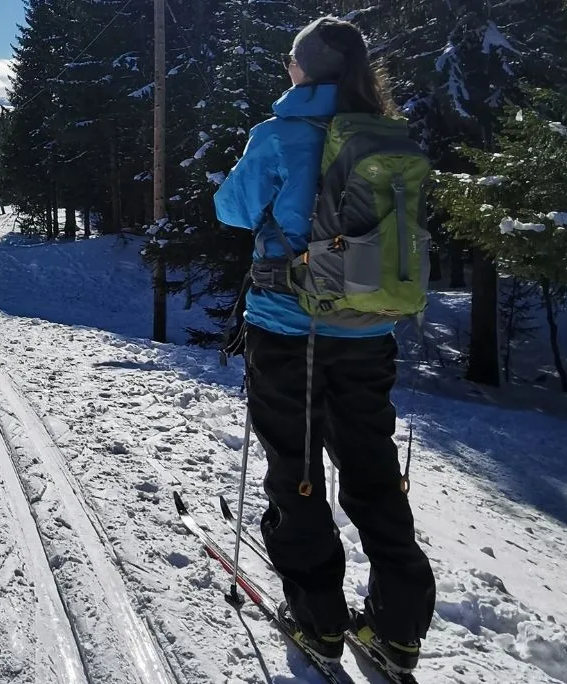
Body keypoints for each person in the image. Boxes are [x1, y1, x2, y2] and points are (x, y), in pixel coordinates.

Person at [213, 17, 436, 673]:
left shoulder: (280, 135)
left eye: (292, 61)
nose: (288, 70)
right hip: (371, 332)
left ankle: (319, 623)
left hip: (291, 329)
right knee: (372, 470)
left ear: (304, 69)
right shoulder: (389, 136)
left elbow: (231, 207)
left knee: (299, 473)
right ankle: (397, 628)